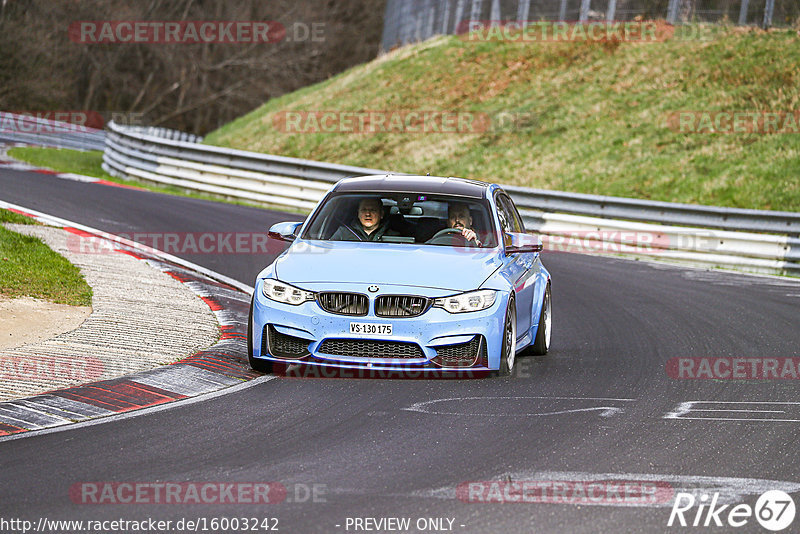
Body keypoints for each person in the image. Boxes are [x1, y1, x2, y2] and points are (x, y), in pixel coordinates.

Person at [331, 197, 399, 241]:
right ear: (358, 214)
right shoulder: (343, 233)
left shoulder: (394, 236)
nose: (368, 214)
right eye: (363, 210)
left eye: (373, 210)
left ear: (381, 214)